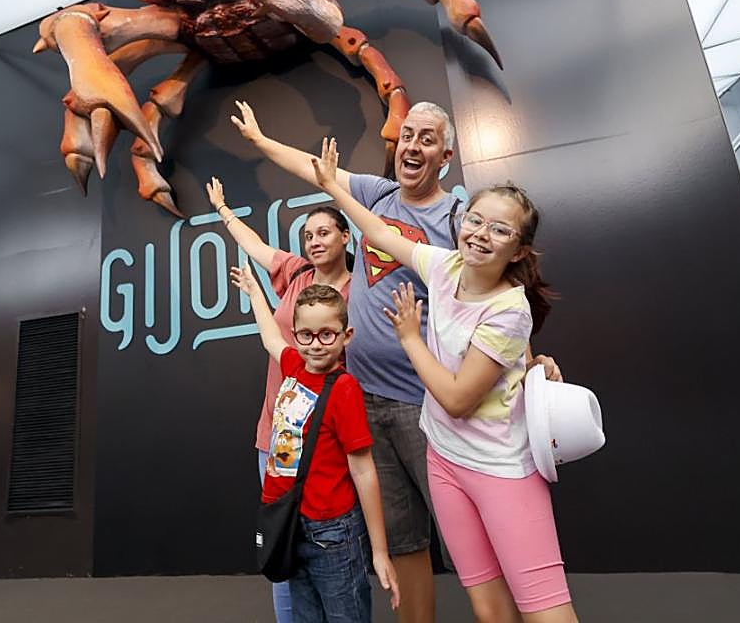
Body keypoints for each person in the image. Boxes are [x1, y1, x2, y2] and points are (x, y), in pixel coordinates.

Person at [233, 99, 560, 623]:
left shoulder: (457, 218)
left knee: (470, 543)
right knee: (404, 538)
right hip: (365, 398)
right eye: (407, 135)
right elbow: (317, 171)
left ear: (445, 156)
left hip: (426, 403)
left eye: (427, 138)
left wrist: (528, 359)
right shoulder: (376, 194)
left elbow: (494, 288)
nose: (412, 145)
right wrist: (260, 141)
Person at [311, 137, 577, 622]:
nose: (480, 234)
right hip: (445, 461)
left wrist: (411, 337)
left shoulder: (508, 311)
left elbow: (456, 398)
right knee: (488, 607)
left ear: (519, 250)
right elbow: (377, 229)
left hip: (502, 471)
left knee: (546, 611)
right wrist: (332, 186)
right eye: (475, 220)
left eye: (499, 230)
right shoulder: (444, 265)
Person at [207, 177, 353, 623]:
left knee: (332, 549)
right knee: (282, 545)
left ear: (346, 237)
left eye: (324, 232)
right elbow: (255, 246)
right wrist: (224, 210)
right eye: (308, 235)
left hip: (328, 443)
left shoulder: (360, 290)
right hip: (278, 434)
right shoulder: (297, 273)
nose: (314, 241)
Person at [231, 267, 399, 621]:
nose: (316, 344)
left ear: (345, 336)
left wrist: (380, 552)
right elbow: (270, 340)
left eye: (326, 334)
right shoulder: (295, 369)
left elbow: (364, 469)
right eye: (306, 335)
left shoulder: (344, 389)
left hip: (332, 532)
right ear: (296, 336)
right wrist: (253, 292)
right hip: (291, 524)